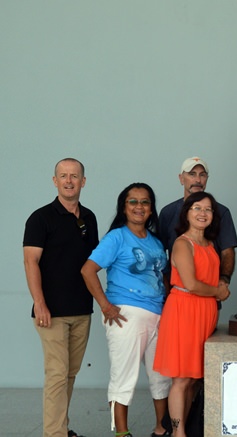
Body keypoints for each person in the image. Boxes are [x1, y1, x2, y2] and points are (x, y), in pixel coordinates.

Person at [81, 183, 170, 437]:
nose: (139, 207)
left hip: (158, 315)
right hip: (126, 314)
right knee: (124, 377)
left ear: (151, 210)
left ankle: (161, 429)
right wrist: (105, 306)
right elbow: (88, 270)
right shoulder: (117, 237)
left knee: (161, 378)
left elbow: (162, 276)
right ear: (124, 207)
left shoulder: (155, 242)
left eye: (144, 202)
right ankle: (122, 433)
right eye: (133, 202)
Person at [23, 158, 99, 437]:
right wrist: (40, 303)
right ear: (55, 181)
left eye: (75, 176)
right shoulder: (40, 218)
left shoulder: (88, 218)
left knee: (69, 374)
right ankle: (53, 434)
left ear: (83, 181)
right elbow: (31, 262)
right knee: (57, 374)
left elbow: (93, 262)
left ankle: (60, 428)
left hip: (82, 309)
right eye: (63, 176)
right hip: (51, 312)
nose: (69, 181)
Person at [154, 192, 230, 437]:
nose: (202, 213)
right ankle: (178, 433)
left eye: (208, 209)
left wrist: (220, 285)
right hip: (185, 310)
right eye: (197, 208)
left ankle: (182, 428)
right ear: (186, 213)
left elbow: (208, 277)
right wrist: (218, 291)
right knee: (182, 379)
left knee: (194, 379)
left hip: (204, 312)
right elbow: (192, 283)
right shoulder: (182, 243)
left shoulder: (209, 243)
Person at [159, 157, 237, 295]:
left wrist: (223, 280)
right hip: (177, 293)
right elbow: (158, 254)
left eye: (202, 175)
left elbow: (227, 251)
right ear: (181, 178)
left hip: (211, 291)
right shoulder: (168, 212)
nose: (197, 180)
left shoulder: (221, 212)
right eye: (192, 174)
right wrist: (165, 287)